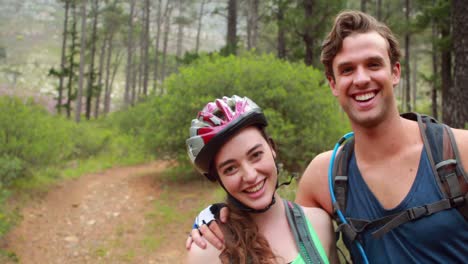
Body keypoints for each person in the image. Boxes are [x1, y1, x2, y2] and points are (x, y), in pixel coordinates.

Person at [187, 10, 468, 263]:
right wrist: (212, 218)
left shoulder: (458, 152)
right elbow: (285, 230)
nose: (360, 79)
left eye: (373, 64)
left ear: (395, 71)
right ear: (333, 83)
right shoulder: (326, 177)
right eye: (347, 69)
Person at [185, 95, 338, 263]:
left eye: (256, 155)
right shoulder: (209, 252)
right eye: (230, 168)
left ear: (272, 148)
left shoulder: (319, 224)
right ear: (217, 178)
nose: (250, 176)